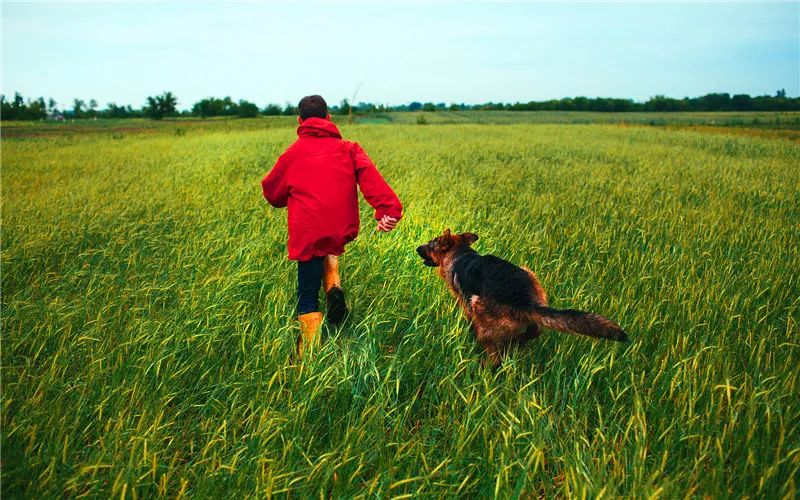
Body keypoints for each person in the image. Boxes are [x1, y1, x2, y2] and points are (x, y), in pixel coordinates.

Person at [261, 95, 403, 357]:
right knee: (329, 243)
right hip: (339, 226)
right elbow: (373, 181)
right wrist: (388, 211)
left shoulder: (292, 154)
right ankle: (334, 288)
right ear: (329, 118)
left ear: (299, 121)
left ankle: (310, 353)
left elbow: (273, 194)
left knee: (307, 290)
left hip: (307, 231)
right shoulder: (349, 149)